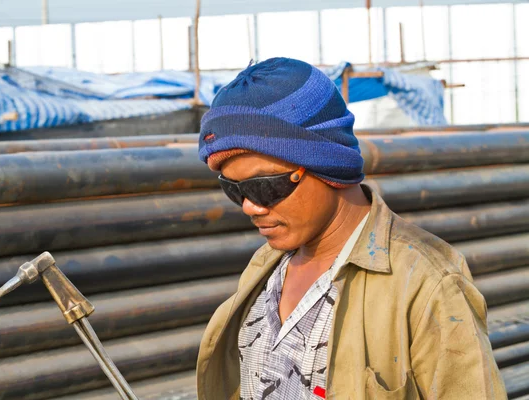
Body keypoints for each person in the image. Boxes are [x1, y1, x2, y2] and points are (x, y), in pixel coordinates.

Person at [195, 57, 506, 399]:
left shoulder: (428, 284)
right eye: (234, 190)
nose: (251, 207)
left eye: (265, 186)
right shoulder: (265, 268)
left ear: (328, 163)